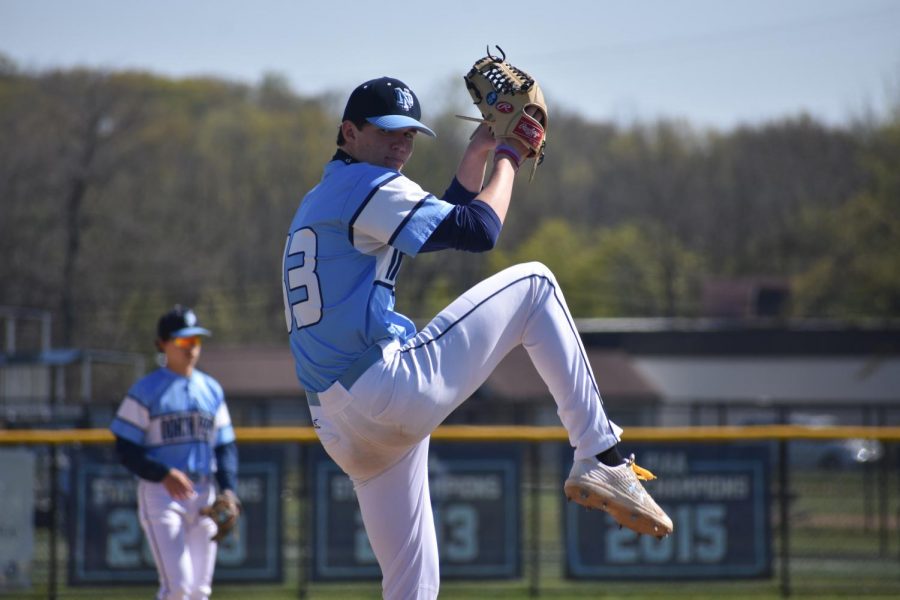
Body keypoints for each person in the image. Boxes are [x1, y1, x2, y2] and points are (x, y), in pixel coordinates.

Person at [281, 76, 672, 599]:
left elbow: (447, 221)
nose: (400, 145)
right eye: (387, 133)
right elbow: (479, 230)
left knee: (413, 585)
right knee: (536, 285)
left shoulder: (326, 197)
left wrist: (479, 151)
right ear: (348, 132)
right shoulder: (369, 187)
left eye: (409, 136)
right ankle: (600, 454)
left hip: (340, 426)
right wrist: (510, 152)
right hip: (382, 389)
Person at [110, 305, 239, 600]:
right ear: (162, 344)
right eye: (183, 341)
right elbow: (125, 448)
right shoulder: (146, 391)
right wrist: (163, 473)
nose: (191, 347)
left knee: (200, 591)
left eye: (196, 340)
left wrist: (229, 490)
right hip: (162, 495)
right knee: (177, 587)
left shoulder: (212, 389)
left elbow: (225, 446)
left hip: (205, 493)